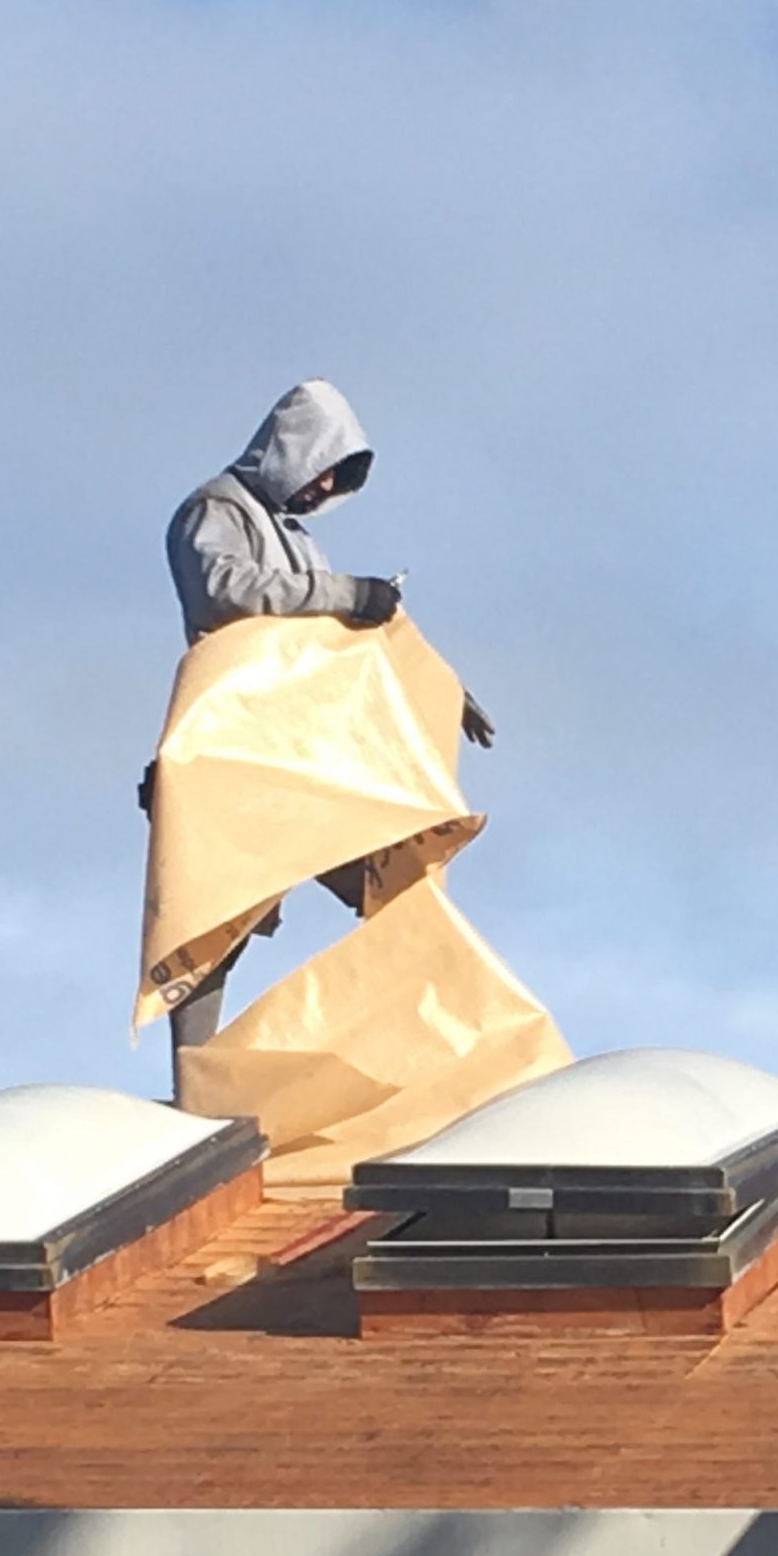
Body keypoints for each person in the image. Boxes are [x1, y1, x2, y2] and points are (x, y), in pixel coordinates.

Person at [152, 380, 492, 1069]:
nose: (326, 484)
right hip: (238, 758)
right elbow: (226, 592)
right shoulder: (214, 512)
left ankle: (417, 1057)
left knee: (394, 884)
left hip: (312, 757)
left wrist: (441, 689)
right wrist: (349, 594)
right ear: (293, 449)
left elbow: (348, 644)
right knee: (214, 917)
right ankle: (197, 1079)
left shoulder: (301, 546)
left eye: (338, 474)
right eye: (323, 465)